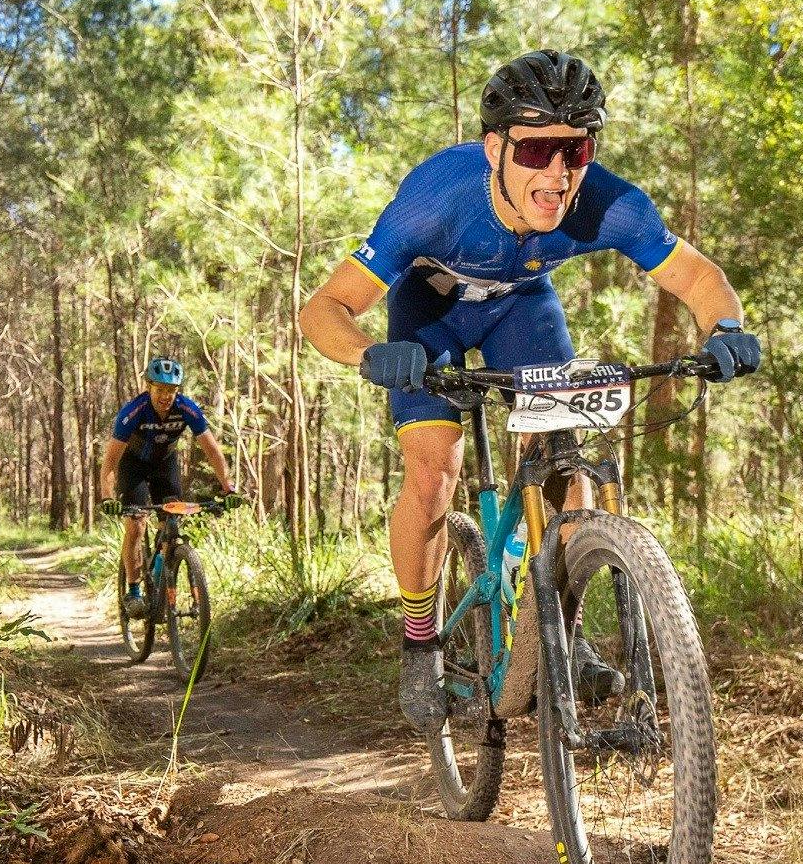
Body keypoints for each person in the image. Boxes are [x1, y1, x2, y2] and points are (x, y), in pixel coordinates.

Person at [297, 49, 763, 731]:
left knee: (563, 465)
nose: (557, 174)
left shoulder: (606, 202)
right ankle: (420, 642)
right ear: (495, 149)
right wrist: (372, 354)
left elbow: (695, 277)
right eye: (538, 149)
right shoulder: (435, 201)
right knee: (435, 470)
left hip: (522, 308)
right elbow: (323, 309)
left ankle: (558, 633)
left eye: (575, 150)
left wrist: (726, 327)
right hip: (430, 315)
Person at [99, 357, 236, 617]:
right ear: (149, 387)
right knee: (137, 523)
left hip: (165, 464)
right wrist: (107, 496)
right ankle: (134, 591)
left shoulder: (187, 409)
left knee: (171, 522)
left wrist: (228, 487)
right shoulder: (132, 412)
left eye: (171, 391)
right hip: (133, 465)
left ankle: (162, 575)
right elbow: (110, 461)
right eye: (160, 389)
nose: (166, 396)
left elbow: (211, 449)